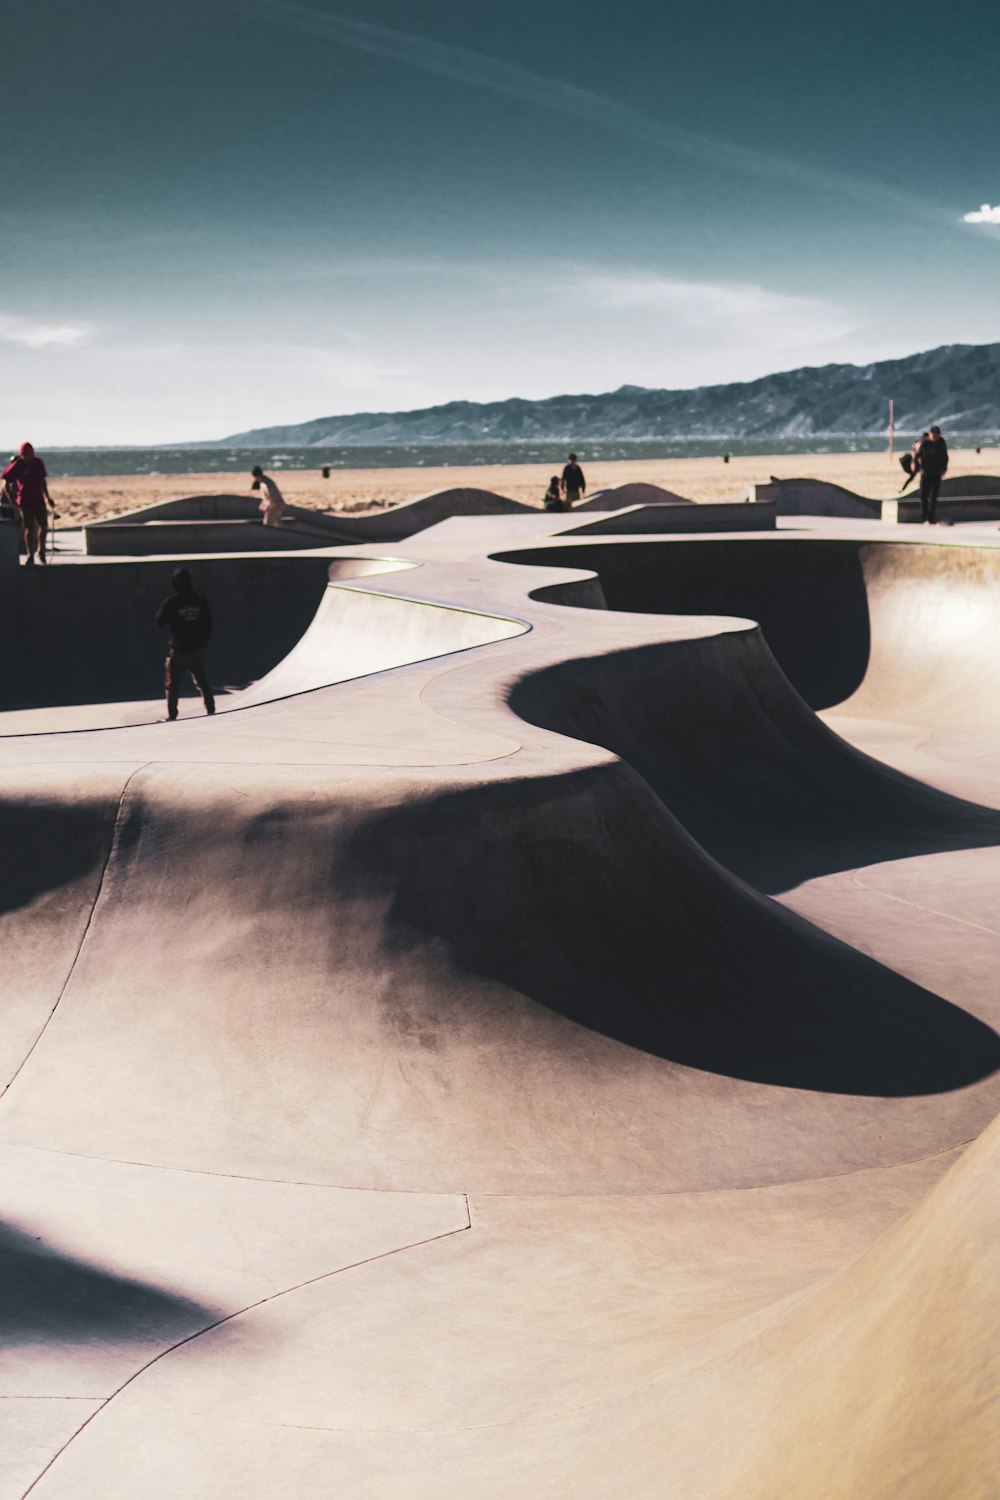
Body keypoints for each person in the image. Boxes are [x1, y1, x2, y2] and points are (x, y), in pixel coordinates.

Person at [156, 568, 215, 720]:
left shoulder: (172, 602)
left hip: (179, 650)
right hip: (197, 649)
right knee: (202, 680)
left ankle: (172, 715)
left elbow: (159, 621)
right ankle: (211, 709)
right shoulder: (199, 599)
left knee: (173, 684)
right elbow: (208, 623)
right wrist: (204, 643)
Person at [2, 441, 57, 565]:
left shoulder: (38, 463)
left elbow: (42, 482)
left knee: (44, 525)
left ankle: (41, 551)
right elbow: (5, 482)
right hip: (25, 501)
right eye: (26, 456)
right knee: (29, 527)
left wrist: (48, 498)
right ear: (22, 455)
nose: (28, 458)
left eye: (30, 455)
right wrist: (12, 500)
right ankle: (30, 554)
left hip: (39, 500)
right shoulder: (17, 465)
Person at [915, 426, 949, 523]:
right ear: (929, 434)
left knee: (933, 497)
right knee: (923, 496)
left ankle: (931, 518)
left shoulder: (941, 442)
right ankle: (924, 517)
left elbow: (945, 456)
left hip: (936, 473)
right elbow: (917, 456)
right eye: (933, 435)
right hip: (925, 473)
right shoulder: (924, 443)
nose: (934, 437)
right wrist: (915, 465)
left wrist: (944, 469)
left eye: (936, 435)